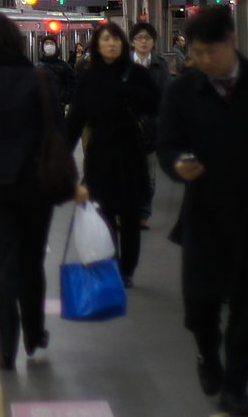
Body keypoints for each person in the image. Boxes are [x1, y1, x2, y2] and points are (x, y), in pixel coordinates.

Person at [157, 6, 248, 417]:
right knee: (200, 305)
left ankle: (236, 387)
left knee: (247, 309)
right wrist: (179, 163)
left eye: (209, 52)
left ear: (231, 42)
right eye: (195, 53)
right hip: (205, 216)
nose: (201, 61)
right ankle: (206, 353)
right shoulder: (183, 90)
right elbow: (168, 144)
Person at [0, 13, 81, 370]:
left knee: (1, 261)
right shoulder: (39, 81)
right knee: (31, 259)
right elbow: (59, 130)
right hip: (36, 185)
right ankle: (35, 332)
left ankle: (5, 345)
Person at [65, 22, 157, 287]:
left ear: (122, 44)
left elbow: (155, 102)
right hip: (100, 155)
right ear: (97, 45)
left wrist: (129, 92)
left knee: (129, 216)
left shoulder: (135, 73)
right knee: (103, 214)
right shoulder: (89, 79)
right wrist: (61, 159)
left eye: (115, 39)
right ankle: (111, 263)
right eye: (106, 40)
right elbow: (74, 121)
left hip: (130, 152)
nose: (111, 44)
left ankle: (127, 269)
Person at [130, 22, 169, 229]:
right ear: (132, 42)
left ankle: (143, 214)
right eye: (139, 38)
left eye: (147, 38)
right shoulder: (123, 65)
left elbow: (165, 97)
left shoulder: (160, 65)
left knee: (149, 175)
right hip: (127, 129)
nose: (143, 42)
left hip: (152, 130)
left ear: (153, 42)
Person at [37, 35, 76, 109]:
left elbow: (72, 83)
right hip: (42, 107)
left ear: (56, 47)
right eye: (46, 44)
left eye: (51, 44)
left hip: (59, 106)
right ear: (42, 48)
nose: (49, 46)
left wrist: (66, 100)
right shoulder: (37, 67)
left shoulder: (64, 66)